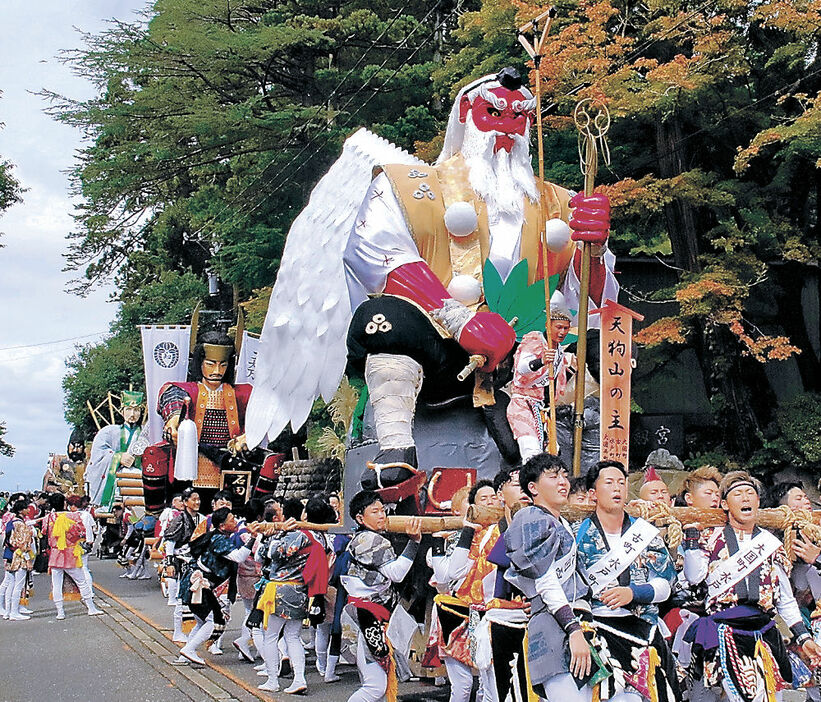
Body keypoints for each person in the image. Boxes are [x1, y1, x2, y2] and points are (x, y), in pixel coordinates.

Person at [341, 67, 615, 472]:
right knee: (382, 320)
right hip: (442, 353)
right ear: (467, 113)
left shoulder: (561, 205)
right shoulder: (407, 187)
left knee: (594, 355)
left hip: (527, 366)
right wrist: (460, 320)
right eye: (494, 114)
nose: (507, 129)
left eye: (518, 118)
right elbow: (381, 258)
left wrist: (596, 245)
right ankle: (397, 450)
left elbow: (596, 303)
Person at [683, 471, 821, 702]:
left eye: (750, 493)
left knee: (767, 695)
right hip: (725, 630)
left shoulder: (770, 544)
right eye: (738, 494)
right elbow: (694, 576)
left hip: (764, 631)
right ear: (725, 504)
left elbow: (785, 599)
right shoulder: (711, 537)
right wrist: (692, 540)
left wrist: (804, 637)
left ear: (758, 502)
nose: (745, 498)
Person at [575, 460, 679, 702]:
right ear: (593, 493)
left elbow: (666, 583)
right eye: (609, 483)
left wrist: (634, 593)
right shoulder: (577, 535)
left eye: (621, 483)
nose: (617, 489)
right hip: (595, 630)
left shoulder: (644, 533)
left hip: (642, 626)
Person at [504, 453, 594, 701]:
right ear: (532, 487)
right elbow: (544, 579)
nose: (563, 482)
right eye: (553, 477)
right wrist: (573, 629)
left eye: (564, 476)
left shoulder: (560, 521)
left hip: (573, 618)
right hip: (555, 623)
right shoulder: (531, 518)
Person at [341, 491, 423, 702]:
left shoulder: (365, 537)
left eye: (382, 510)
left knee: (377, 684)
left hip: (371, 613)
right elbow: (396, 574)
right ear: (360, 518)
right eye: (374, 511)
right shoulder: (370, 540)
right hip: (367, 615)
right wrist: (414, 542)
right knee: (375, 687)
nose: (381, 515)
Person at [177, 507, 260, 665]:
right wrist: (252, 539)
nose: (235, 521)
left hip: (196, 582)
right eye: (231, 519)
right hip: (199, 583)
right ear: (222, 526)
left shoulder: (217, 536)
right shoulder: (219, 539)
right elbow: (238, 557)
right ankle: (189, 650)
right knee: (214, 621)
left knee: (202, 621)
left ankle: (185, 654)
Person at [43, 492, 104, 620]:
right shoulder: (74, 516)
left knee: (56, 583)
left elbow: (44, 532)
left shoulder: (48, 517)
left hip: (55, 554)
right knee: (81, 581)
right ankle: (91, 608)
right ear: (64, 503)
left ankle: (60, 612)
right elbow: (80, 533)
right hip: (70, 553)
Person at [86, 390, 148, 509]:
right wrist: (118, 457)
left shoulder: (146, 434)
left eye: (136, 410)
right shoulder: (108, 431)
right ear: (122, 411)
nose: (132, 414)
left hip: (137, 478)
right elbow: (99, 453)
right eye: (128, 409)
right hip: (115, 477)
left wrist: (138, 460)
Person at [163, 488, 205, 643]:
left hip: (197, 560)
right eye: (193, 499)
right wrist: (169, 562)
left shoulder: (201, 519)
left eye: (198, 499)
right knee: (182, 596)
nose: (197, 502)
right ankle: (178, 631)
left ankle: (195, 629)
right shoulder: (179, 519)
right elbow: (170, 542)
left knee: (197, 595)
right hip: (182, 560)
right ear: (186, 502)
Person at [1, 499, 36, 621]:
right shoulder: (21, 525)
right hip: (20, 557)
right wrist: (28, 560)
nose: (28, 510)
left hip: (10, 555)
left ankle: (8, 611)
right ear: (21, 510)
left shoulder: (11, 522)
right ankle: (14, 611)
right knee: (18, 585)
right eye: (26, 508)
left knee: (10, 584)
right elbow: (24, 545)